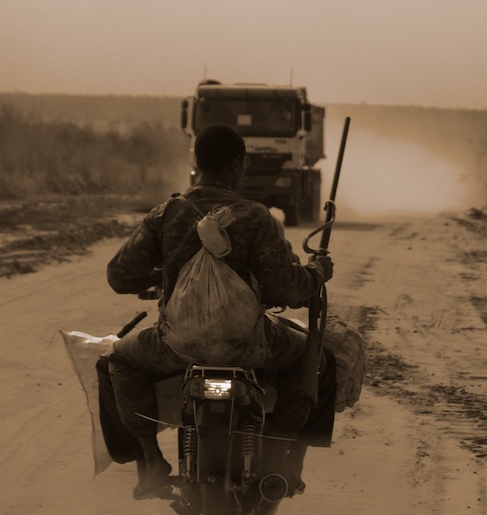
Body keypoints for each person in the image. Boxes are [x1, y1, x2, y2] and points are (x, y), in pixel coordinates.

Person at [105, 123, 334, 499]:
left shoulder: (166, 214)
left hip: (176, 346)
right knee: (316, 358)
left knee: (119, 360)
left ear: (197, 163)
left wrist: (159, 277)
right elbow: (284, 288)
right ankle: (278, 458)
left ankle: (149, 461)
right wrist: (317, 275)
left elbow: (119, 276)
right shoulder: (257, 217)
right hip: (250, 345)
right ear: (237, 165)